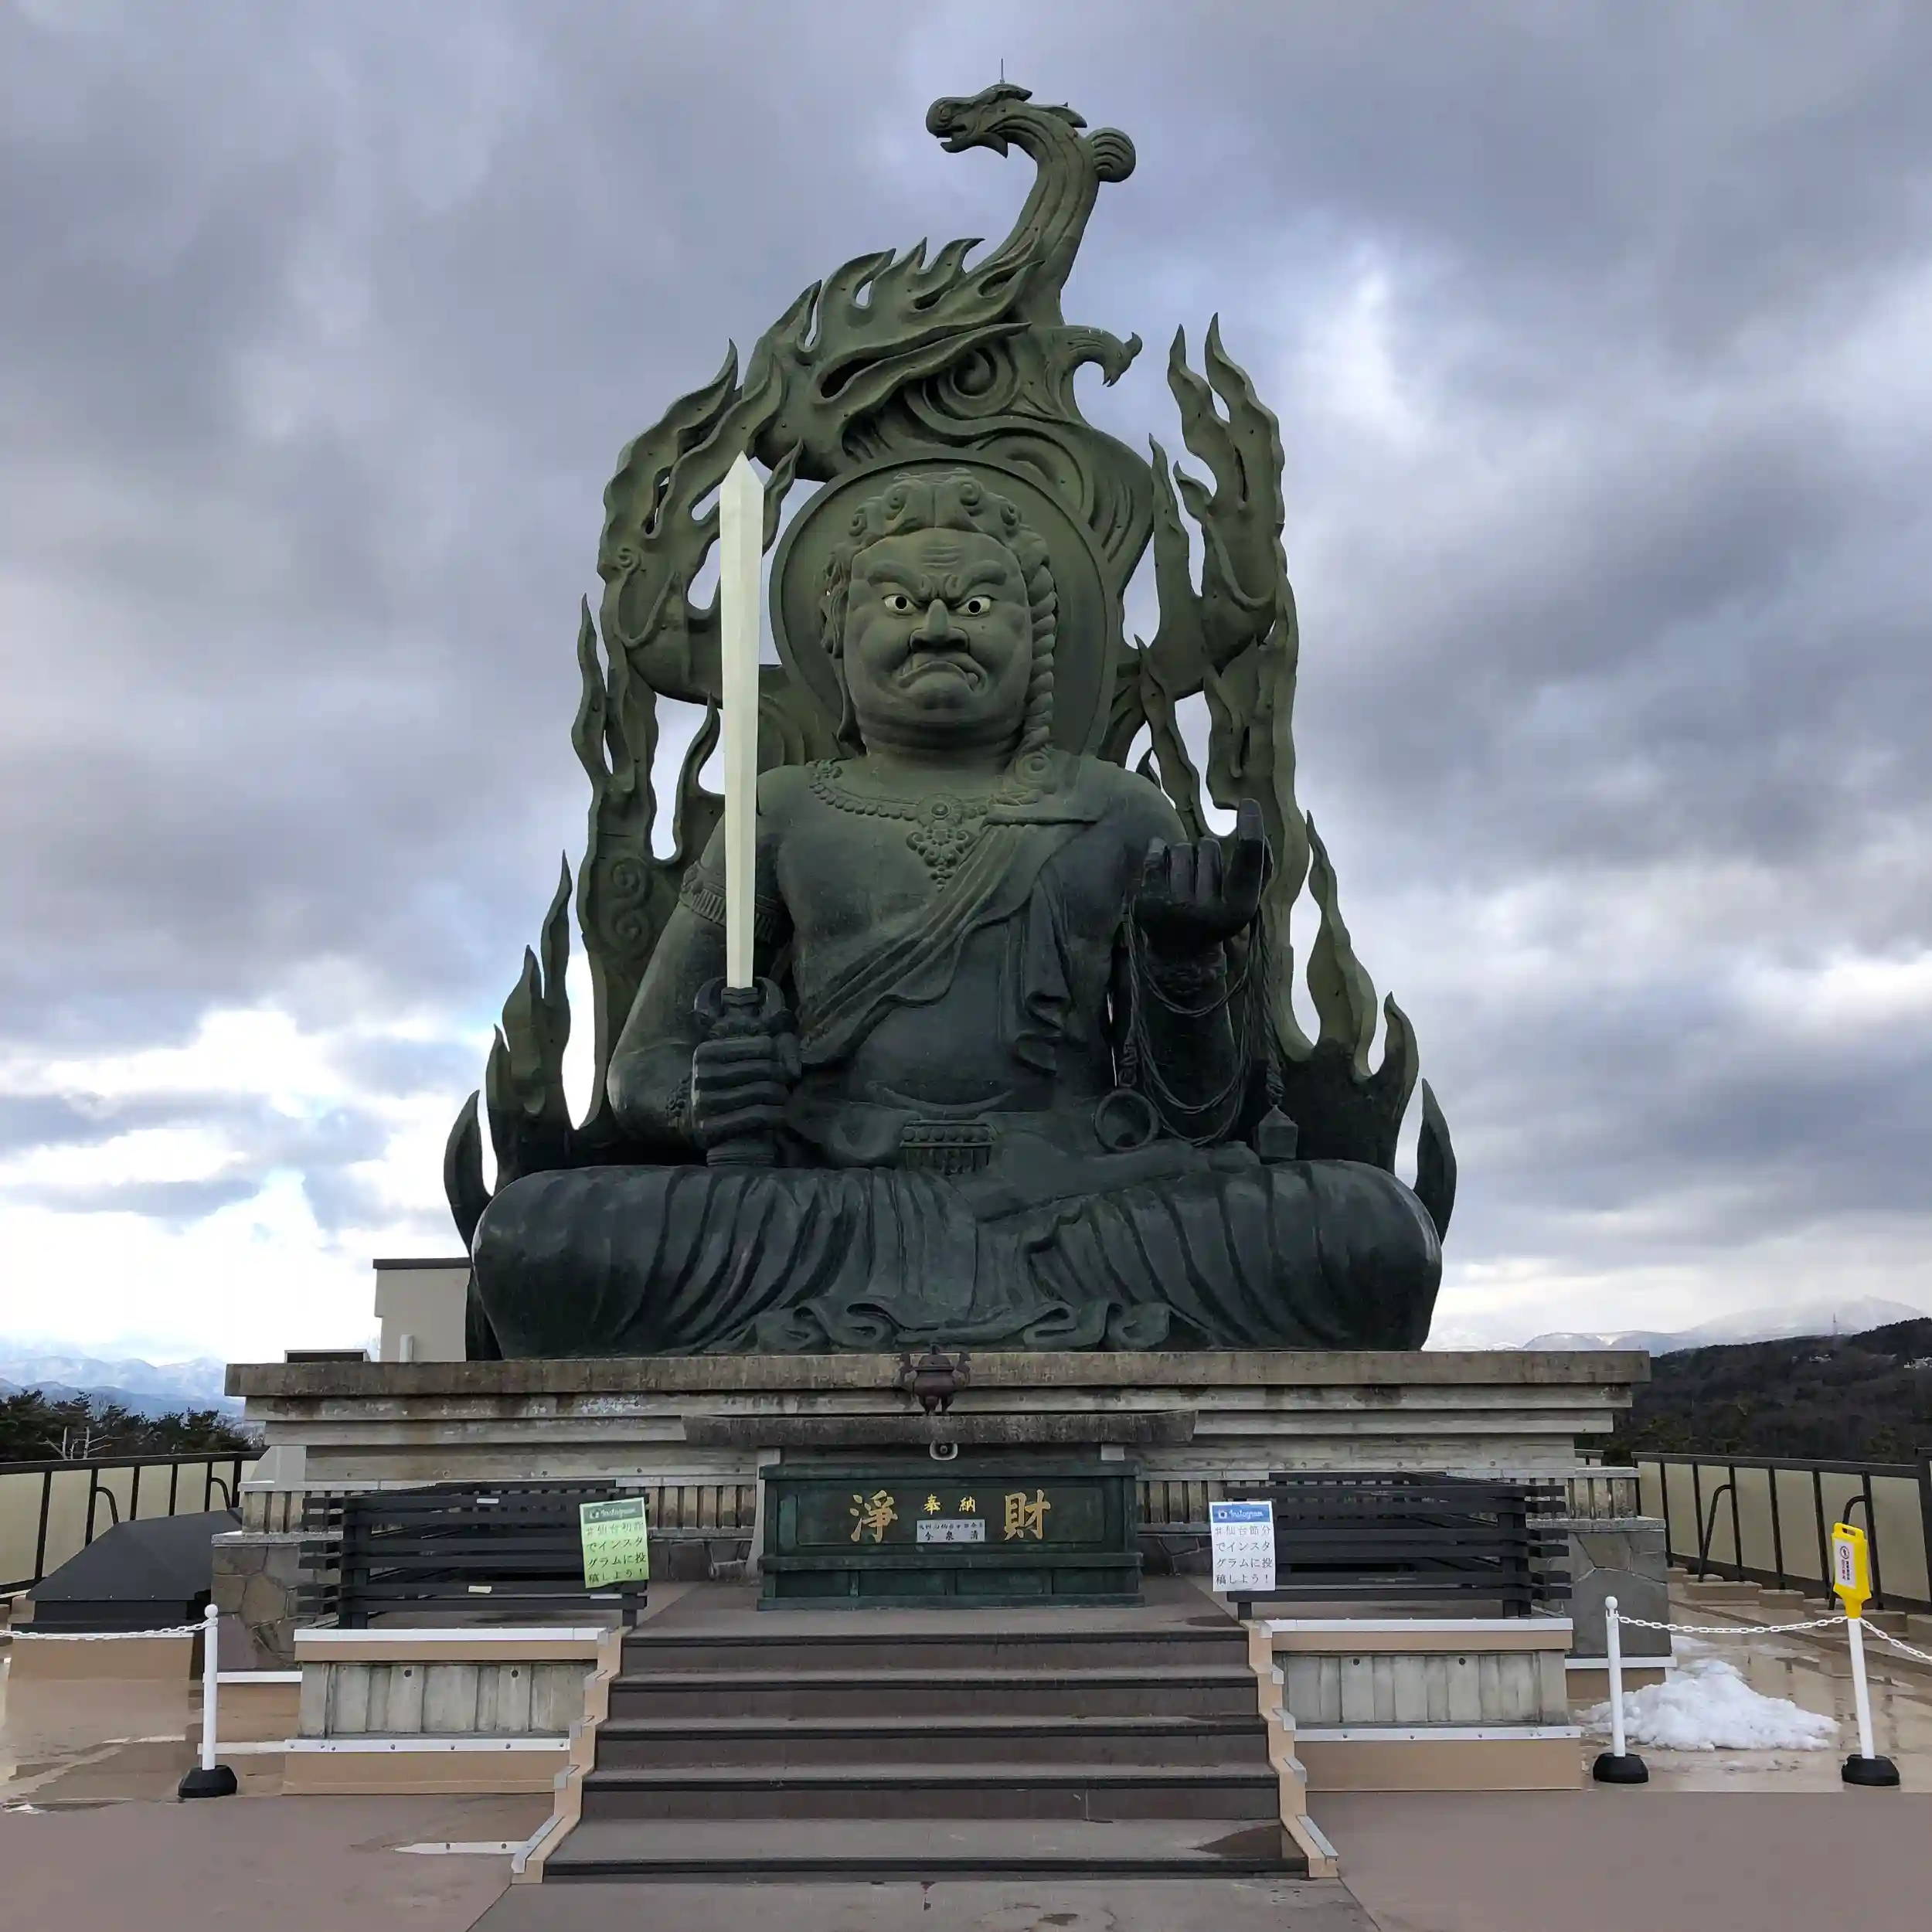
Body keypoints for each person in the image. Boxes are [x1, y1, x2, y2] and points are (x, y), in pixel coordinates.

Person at [471, 470, 1440, 1354]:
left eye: (976, 605)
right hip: (832, 1189)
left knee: (1371, 1232)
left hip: (1073, 1189)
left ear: (1038, 638)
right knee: (531, 1237)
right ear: (834, 635)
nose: (937, 627)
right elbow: (642, 1066)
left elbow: (1197, 1114)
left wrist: (1186, 968)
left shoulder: (1121, 811)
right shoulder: (781, 809)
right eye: (898, 603)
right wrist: (706, 1097)